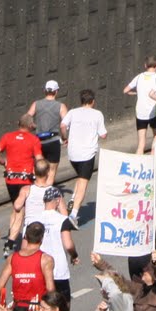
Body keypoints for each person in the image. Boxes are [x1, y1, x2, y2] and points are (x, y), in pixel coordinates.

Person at [0, 114, 46, 246]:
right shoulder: (33, 139)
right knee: (22, 209)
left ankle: (12, 234)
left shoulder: (7, 136)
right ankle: (12, 239)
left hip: (10, 178)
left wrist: (3, 162)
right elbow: (39, 158)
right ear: (30, 126)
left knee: (16, 206)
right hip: (25, 179)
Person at [61, 89, 109, 225]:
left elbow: (63, 125)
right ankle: (74, 215)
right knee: (83, 182)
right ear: (93, 101)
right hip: (87, 154)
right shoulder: (97, 114)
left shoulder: (72, 112)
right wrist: (104, 134)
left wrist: (65, 138)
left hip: (72, 153)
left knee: (80, 176)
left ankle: (73, 198)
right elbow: (103, 134)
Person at [0, 220, 54, 311]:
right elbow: (50, 289)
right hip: (37, 310)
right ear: (42, 238)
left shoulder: (13, 258)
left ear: (25, 236)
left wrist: (4, 306)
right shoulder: (46, 259)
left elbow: (0, 286)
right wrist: (52, 309)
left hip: (18, 309)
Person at [28, 81, 70, 180]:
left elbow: (27, 119)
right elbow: (64, 125)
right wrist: (65, 138)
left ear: (44, 91)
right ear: (56, 91)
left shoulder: (36, 104)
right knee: (52, 170)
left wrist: (35, 126)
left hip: (38, 141)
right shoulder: (61, 106)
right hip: (53, 141)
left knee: (38, 167)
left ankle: (37, 188)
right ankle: (47, 191)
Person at [125, 56, 156, 154]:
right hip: (154, 113)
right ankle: (152, 161)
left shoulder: (139, 76)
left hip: (140, 113)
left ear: (145, 65)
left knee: (141, 143)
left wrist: (137, 93)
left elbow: (125, 90)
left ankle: (138, 164)